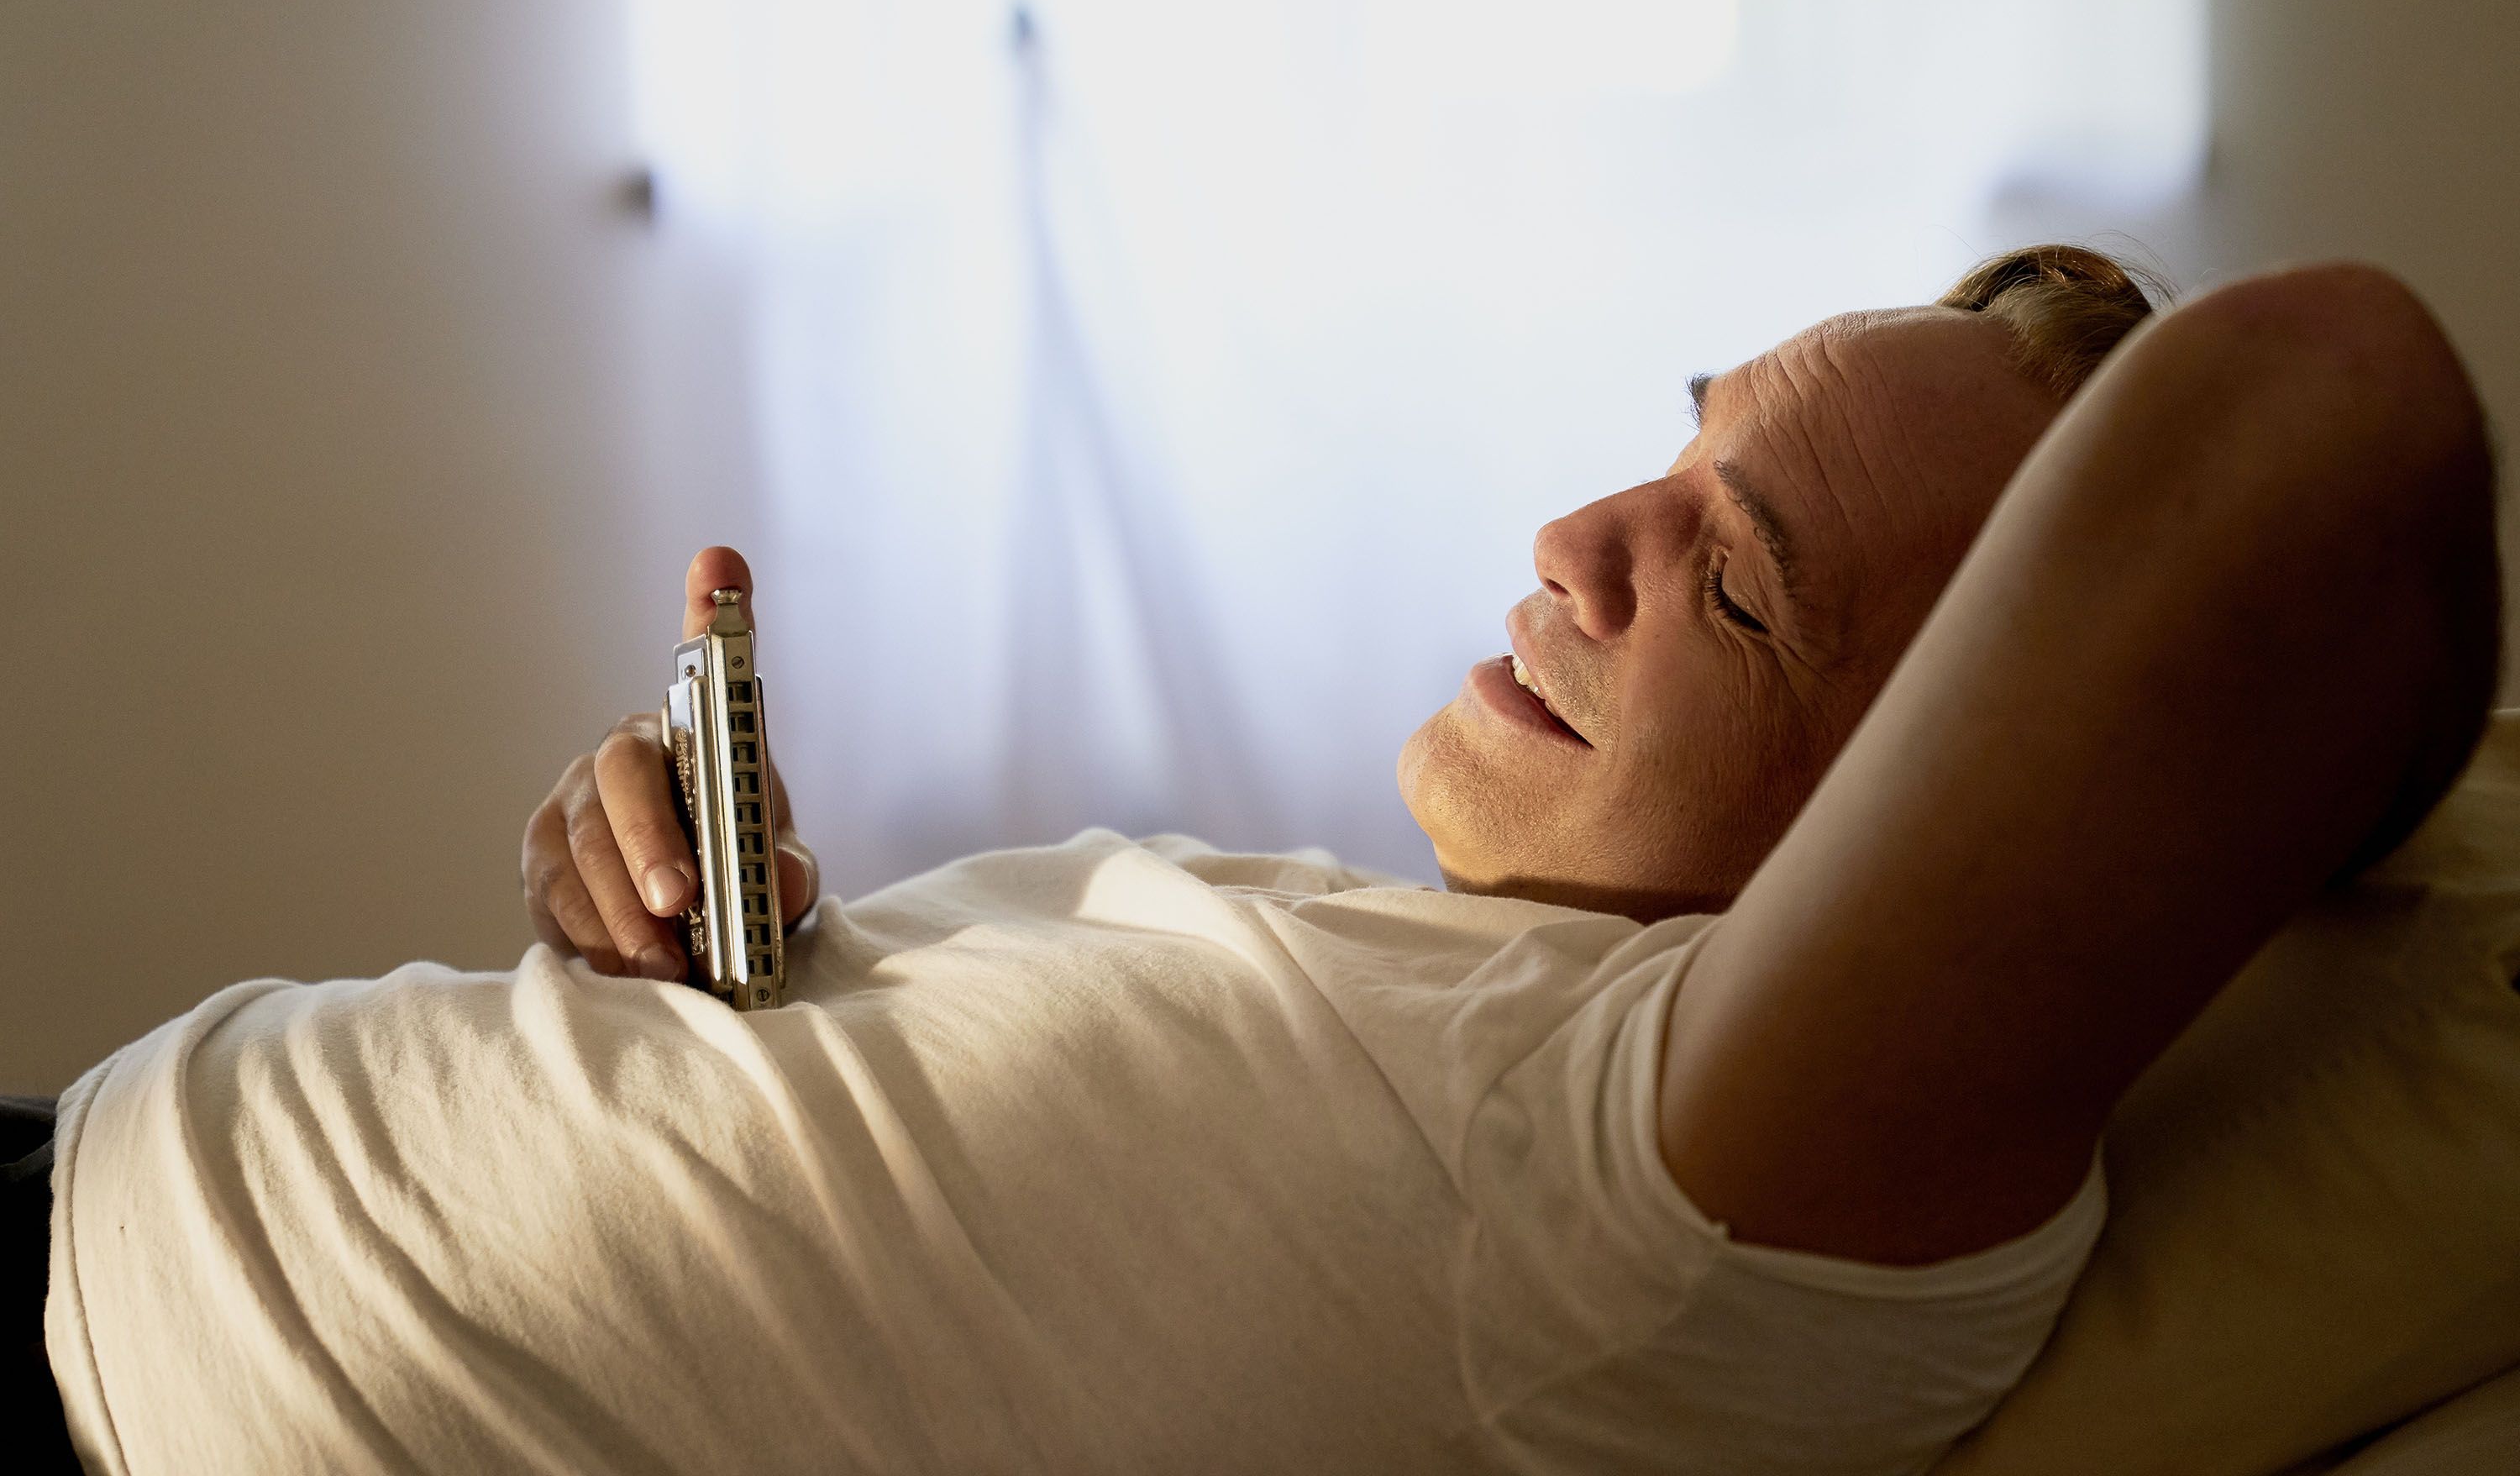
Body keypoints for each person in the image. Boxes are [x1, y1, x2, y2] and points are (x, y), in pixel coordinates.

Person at [19, 248, 2502, 1474]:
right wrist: (668, 961)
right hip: (99, 1187)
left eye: (1739, 584)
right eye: (1674, 450)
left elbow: (2325, 417)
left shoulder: (1676, 1196)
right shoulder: (1461, 998)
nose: (1575, 538)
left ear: (1943, 817)